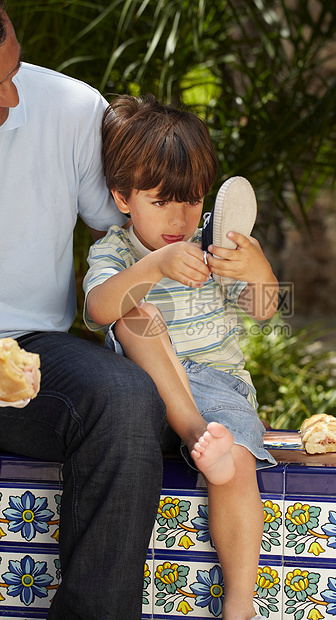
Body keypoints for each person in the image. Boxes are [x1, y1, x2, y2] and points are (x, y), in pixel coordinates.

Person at [83, 93, 279, 620]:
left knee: (236, 463)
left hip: (218, 389)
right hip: (145, 394)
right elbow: (101, 308)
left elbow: (265, 314)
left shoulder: (215, 249)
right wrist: (156, 267)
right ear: (123, 197)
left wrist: (257, 269)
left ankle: (241, 608)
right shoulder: (115, 253)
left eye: (191, 199)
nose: (179, 216)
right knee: (133, 314)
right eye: (161, 200)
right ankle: (195, 434)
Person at [0, 4, 166, 619]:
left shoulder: (71, 107)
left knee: (126, 399)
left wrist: (232, 272)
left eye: (12, 68)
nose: (12, 96)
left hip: (34, 349)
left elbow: (130, 225)